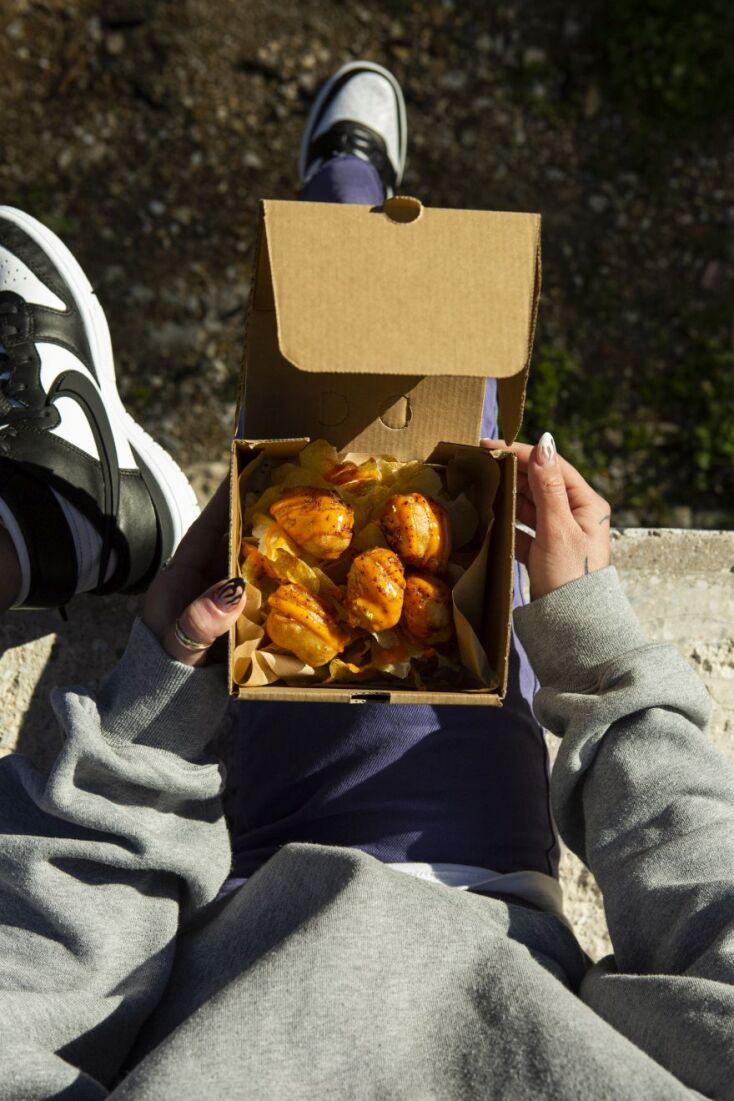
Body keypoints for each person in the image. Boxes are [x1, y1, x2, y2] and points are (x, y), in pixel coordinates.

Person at [0, 62, 732, 1101]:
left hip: (214, 954)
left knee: (332, 394)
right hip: (479, 895)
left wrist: (138, 737)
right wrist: (599, 660)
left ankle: (340, 190)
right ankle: (351, 189)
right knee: (416, 372)